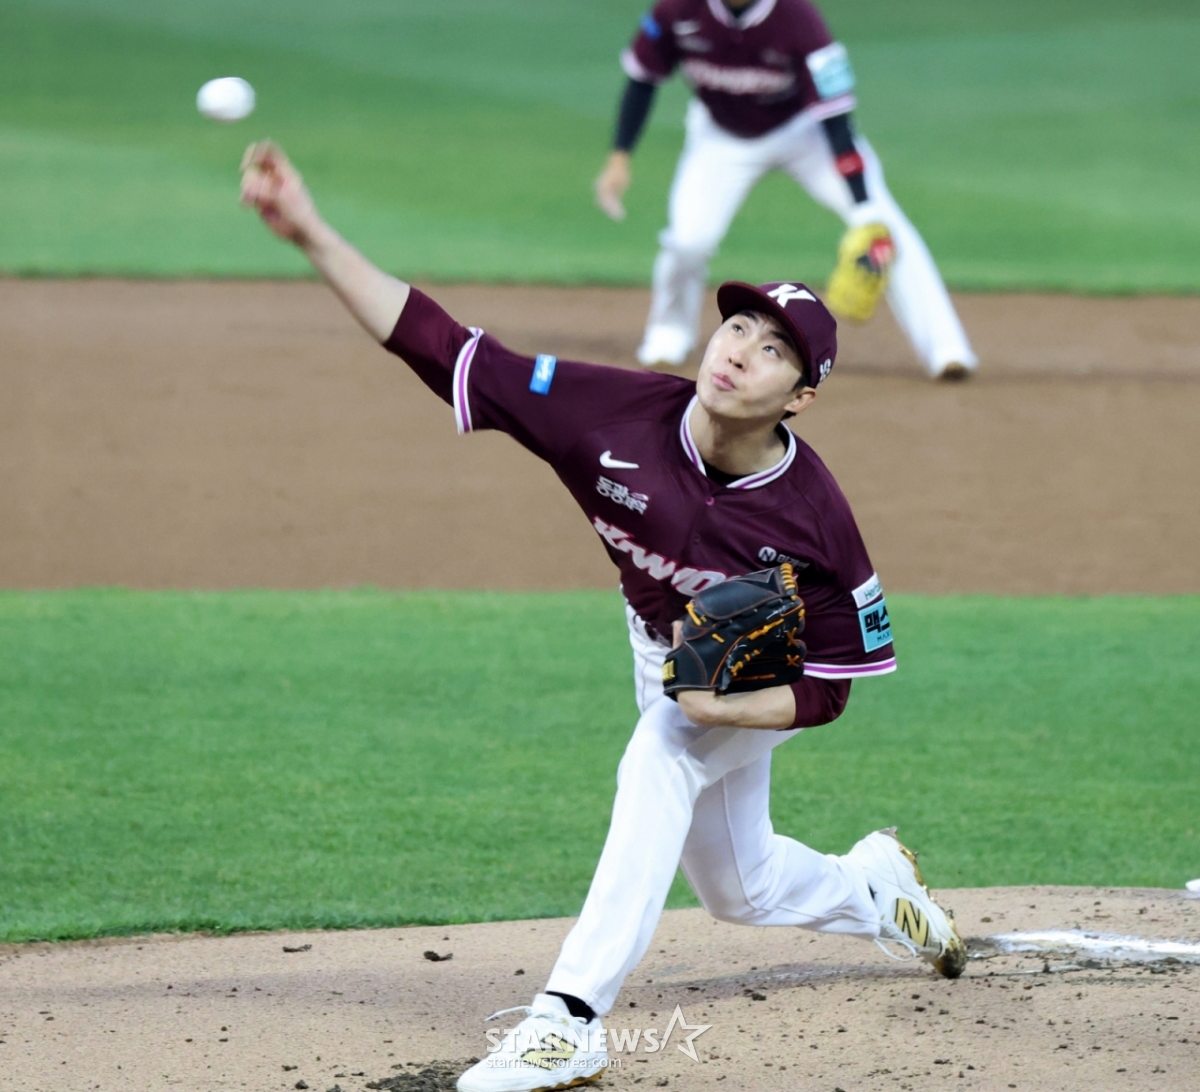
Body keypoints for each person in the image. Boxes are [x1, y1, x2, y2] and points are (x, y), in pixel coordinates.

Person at [240, 140, 967, 1092]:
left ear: (803, 396)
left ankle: (567, 1020)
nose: (741, 350)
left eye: (774, 349)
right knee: (738, 890)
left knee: (659, 754)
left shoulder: (816, 521)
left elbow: (832, 685)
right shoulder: (609, 416)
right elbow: (445, 348)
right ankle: (877, 888)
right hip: (663, 651)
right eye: (738, 326)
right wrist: (310, 233)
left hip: (744, 676)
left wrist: (724, 710)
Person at [595, 0, 977, 380]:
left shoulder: (798, 17)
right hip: (721, 138)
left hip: (805, 136)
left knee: (883, 226)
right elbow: (642, 79)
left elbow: (837, 118)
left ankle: (946, 350)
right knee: (687, 241)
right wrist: (619, 158)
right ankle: (668, 334)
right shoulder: (680, 8)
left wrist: (861, 206)